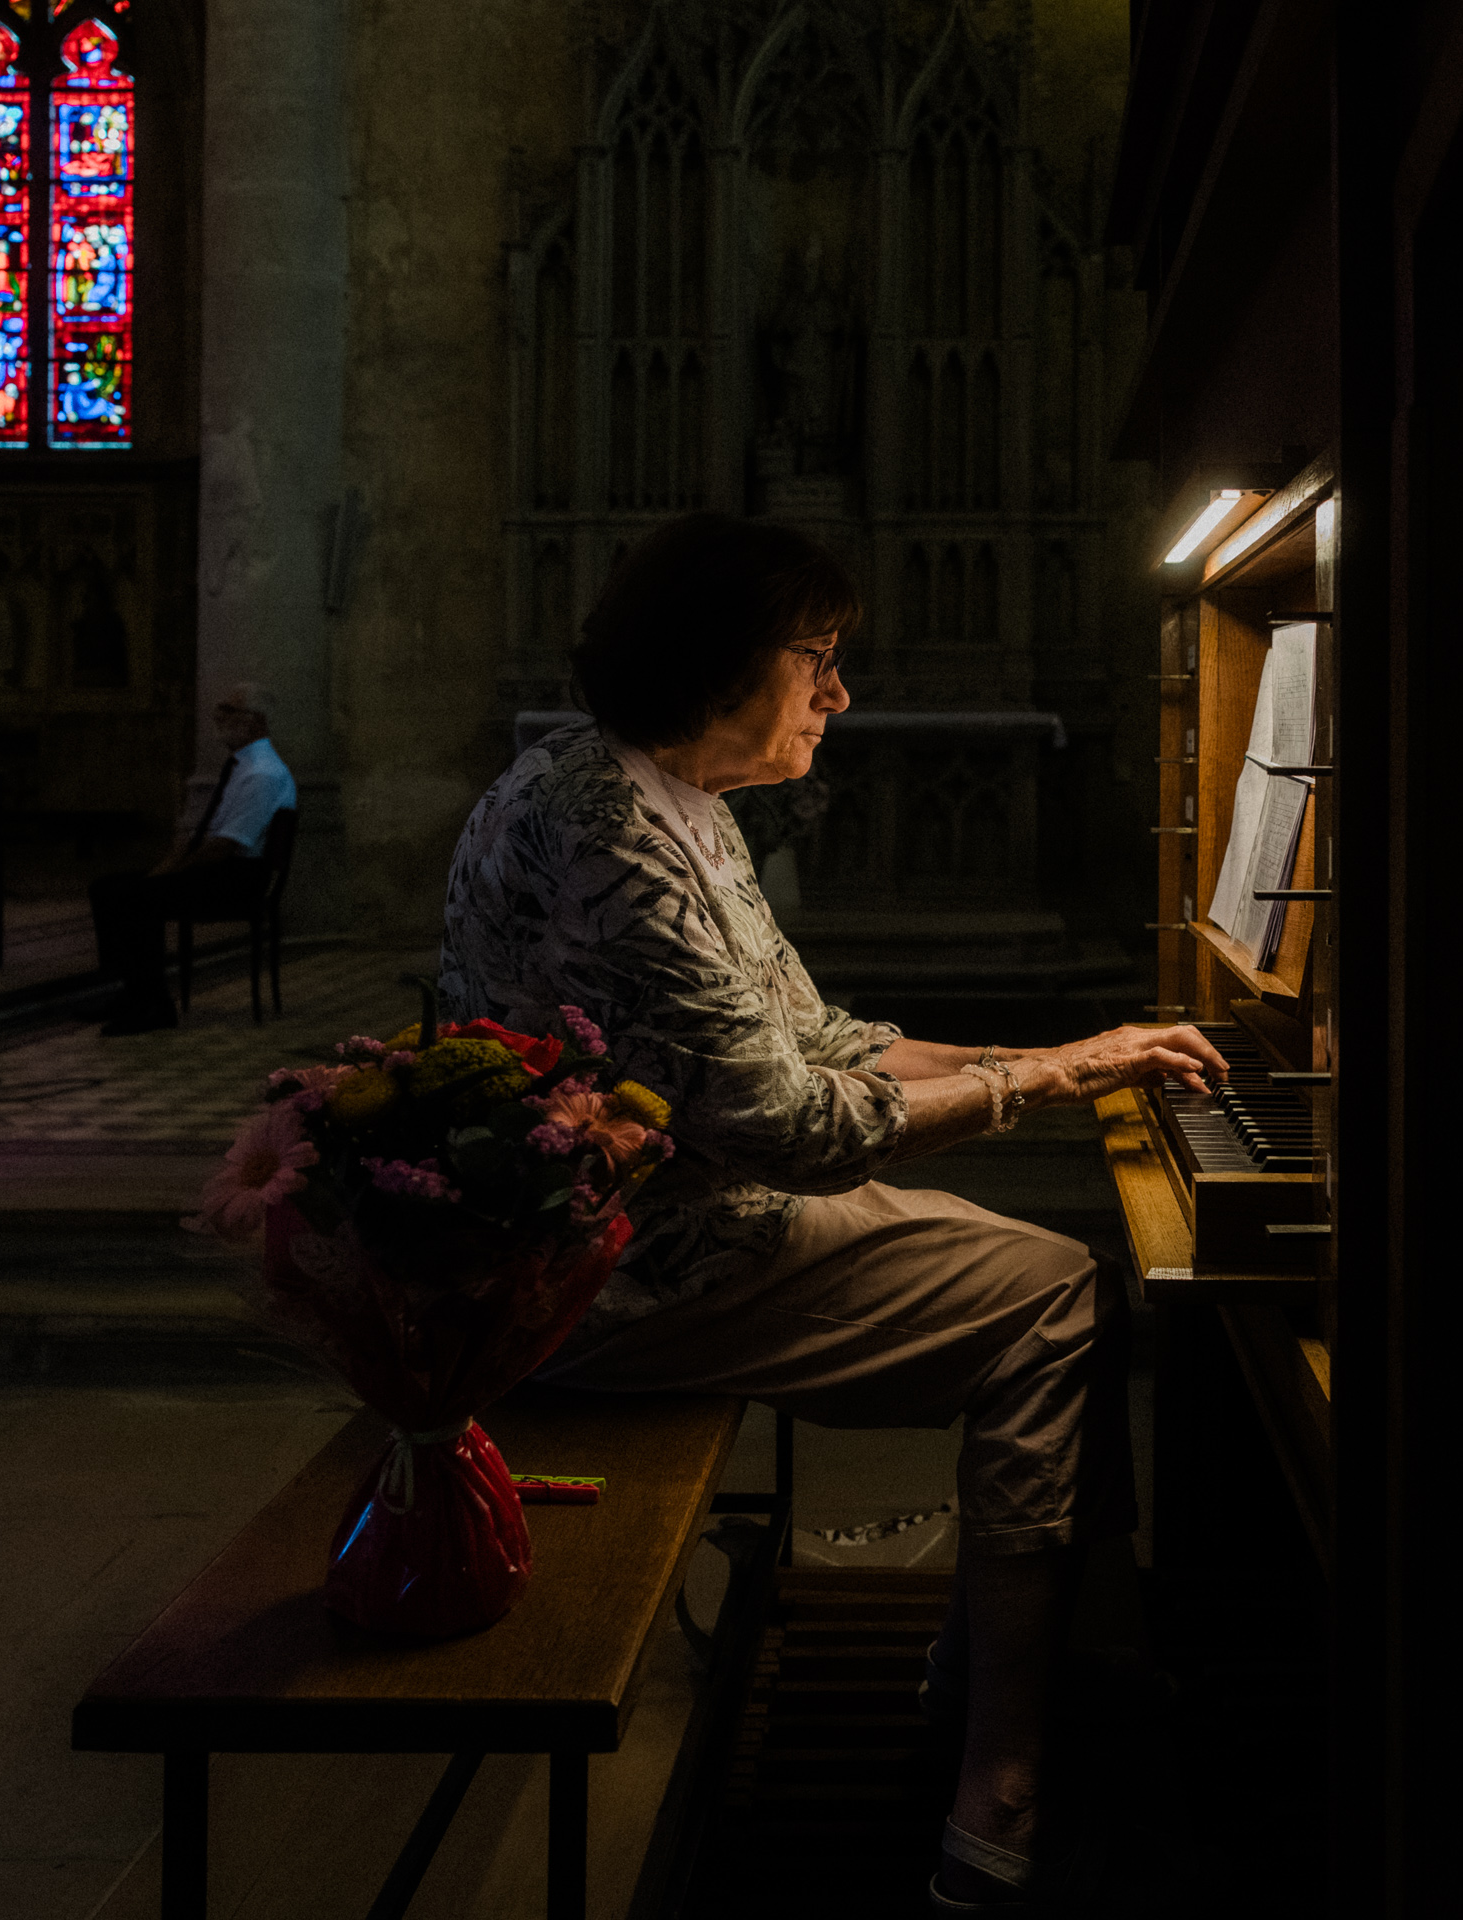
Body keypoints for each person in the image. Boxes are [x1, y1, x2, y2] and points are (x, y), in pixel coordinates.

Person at [438, 515, 1228, 1913]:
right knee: (1060, 1295)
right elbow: (798, 1131)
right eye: (819, 659)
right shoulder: (613, 835)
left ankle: (1007, 1658)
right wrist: (1049, 1075)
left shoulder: (645, 792)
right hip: (614, 1275)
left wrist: (1074, 1052)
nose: (840, 694)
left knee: (1045, 1268)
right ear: (727, 662)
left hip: (657, 1221)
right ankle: (1005, 1762)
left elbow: (821, 1038)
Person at [89, 682, 296, 1035]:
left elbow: (227, 844)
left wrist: (174, 870)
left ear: (256, 722)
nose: (219, 716)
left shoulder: (262, 772)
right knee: (106, 888)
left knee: (138, 897)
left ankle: (154, 1005)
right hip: (222, 869)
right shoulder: (243, 766)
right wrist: (171, 861)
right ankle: (131, 990)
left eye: (230, 710)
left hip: (237, 878)